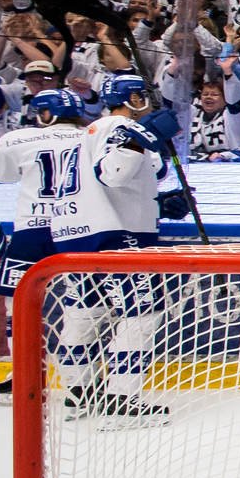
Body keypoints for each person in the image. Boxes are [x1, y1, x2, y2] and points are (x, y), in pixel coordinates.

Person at [47, 74, 192, 424]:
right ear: (134, 98)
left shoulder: (90, 130)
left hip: (79, 233)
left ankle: (78, 392)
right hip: (117, 239)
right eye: (143, 95)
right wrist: (140, 138)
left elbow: (111, 185)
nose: (149, 102)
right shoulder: (118, 127)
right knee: (142, 312)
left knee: (85, 311)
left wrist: (160, 206)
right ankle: (122, 398)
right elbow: (112, 173)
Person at [0, 88, 86, 301]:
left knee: (19, 297)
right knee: (82, 301)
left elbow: (0, 176)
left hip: (33, 229)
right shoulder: (94, 137)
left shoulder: (18, 139)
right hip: (79, 229)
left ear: (47, 112)